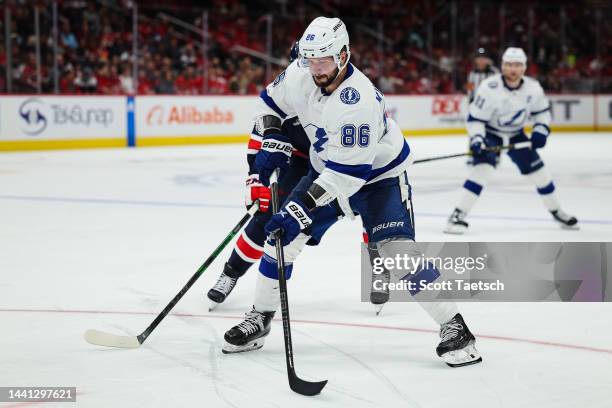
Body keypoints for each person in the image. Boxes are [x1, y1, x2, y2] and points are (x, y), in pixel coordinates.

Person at [222, 17, 482, 368]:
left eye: (324, 60)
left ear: (344, 54)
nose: (316, 68)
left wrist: (297, 209)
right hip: (327, 167)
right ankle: (261, 316)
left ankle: (455, 327)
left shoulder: (356, 101)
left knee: (397, 253)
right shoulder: (301, 72)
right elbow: (269, 104)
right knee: (281, 243)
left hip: (377, 178)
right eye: (311, 60)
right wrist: (272, 136)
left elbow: (349, 175)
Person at [206, 42, 310, 311]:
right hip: (300, 160)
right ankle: (231, 272)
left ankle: (379, 272)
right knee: (267, 216)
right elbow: (258, 143)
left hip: (340, 163)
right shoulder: (283, 93)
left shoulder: (343, 93)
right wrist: (256, 180)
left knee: (376, 211)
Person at [445, 47, 578, 234]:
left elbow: (542, 114)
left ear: (524, 67)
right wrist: (477, 138)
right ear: (502, 66)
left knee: (541, 174)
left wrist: (541, 130)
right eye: (508, 64)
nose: (512, 69)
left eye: (517, 65)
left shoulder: (533, 88)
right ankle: (457, 215)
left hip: (517, 135)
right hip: (492, 134)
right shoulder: (489, 87)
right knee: (482, 171)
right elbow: (476, 119)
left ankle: (557, 211)